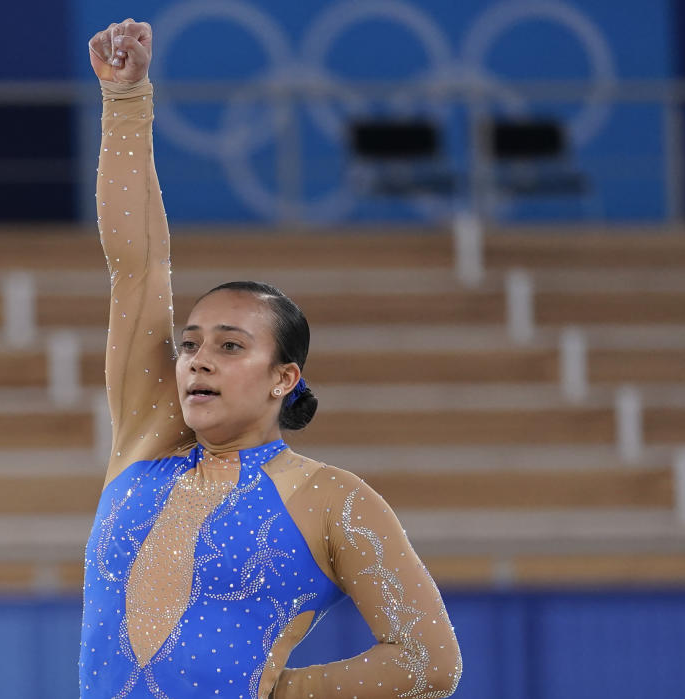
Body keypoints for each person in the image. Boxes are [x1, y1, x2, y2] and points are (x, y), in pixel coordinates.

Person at [80, 18, 462, 699]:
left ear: (285, 377)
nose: (198, 359)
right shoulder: (146, 439)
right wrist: (126, 102)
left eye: (231, 345)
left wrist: (282, 691)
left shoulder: (332, 501)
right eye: (192, 343)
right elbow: (138, 268)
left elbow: (429, 659)